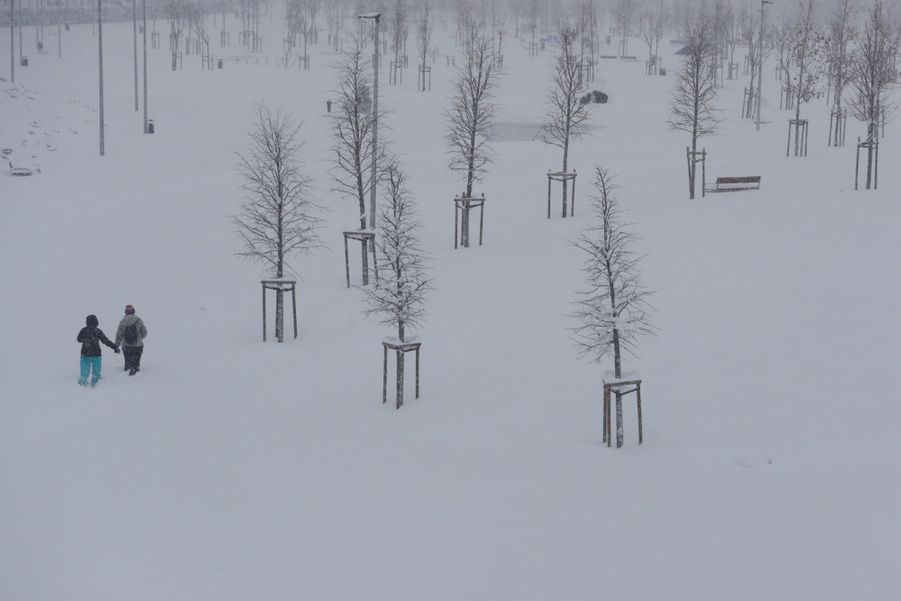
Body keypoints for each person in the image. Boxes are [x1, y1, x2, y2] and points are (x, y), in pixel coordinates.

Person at [77, 314, 119, 386]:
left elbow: (78, 339)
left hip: (85, 354)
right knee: (96, 373)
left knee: (84, 372)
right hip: (96, 354)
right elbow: (106, 341)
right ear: (96, 322)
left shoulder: (84, 330)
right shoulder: (98, 331)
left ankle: (83, 384)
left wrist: (85, 340)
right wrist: (114, 347)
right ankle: (96, 384)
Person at [115, 304, 148, 376]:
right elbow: (145, 333)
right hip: (138, 345)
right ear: (133, 311)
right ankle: (135, 373)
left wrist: (116, 345)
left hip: (126, 346)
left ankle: (126, 377)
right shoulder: (139, 320)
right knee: (136, 364)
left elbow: (118, 335)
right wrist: (139, 337)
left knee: (127, 364)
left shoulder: (122, 322)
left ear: (125, 312)